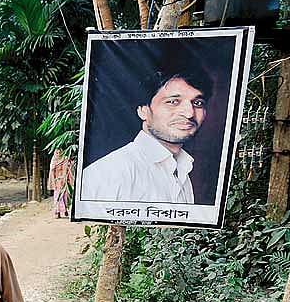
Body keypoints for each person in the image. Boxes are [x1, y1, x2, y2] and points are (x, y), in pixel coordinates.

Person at [79, 64, 213, 204]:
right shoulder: (109, 173)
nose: (189, 113)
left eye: (198, 103)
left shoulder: (183, 167)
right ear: (143, 111)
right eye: (173, 102)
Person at [48, 149, 73, 218]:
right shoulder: (53, 160)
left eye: (60, 152)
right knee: (57, 197)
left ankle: (65, 210)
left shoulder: (65, 159)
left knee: (65, 196)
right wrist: (53, 182)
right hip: (57, 182)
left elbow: (68, 169)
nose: (58, 154)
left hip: (64, 181)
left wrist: (69, 179)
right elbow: (52, 172)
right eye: (57, 152)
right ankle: (58, 212)